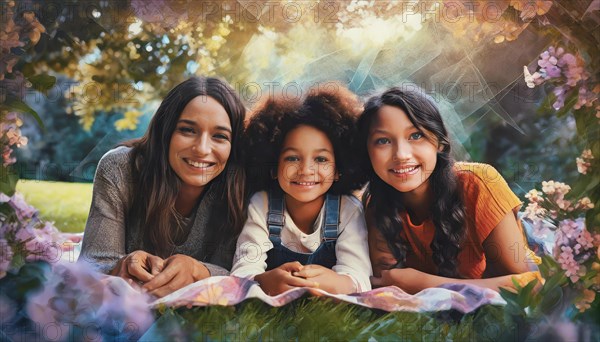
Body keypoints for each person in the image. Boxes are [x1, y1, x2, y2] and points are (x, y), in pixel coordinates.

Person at [357, 87, 540, 294]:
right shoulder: (376, 204)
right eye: (383, 141)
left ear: (440, 143)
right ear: (367, 152)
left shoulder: (478, 184)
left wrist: (425, 283)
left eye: (416, 135)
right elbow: (386, 282)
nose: (401, 154)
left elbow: (530, 286)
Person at [79, 76, 247, 297]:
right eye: (188, 130)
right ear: (165, 132)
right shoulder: (119, 169)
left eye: (219, 136)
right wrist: (122, 264)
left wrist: (197, 270)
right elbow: (92, 264)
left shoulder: (239, 183)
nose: (202, 149)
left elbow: (240, 273)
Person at [231, 85, 372, 295]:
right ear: (273, 166)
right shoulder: (262, 205)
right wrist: (262, 281)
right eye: (292, 158)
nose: (306, 170)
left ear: (338, 169)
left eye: (321, 159)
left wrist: (336, 282)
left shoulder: (348, 210)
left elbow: (359, 277)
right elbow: (243, 271)